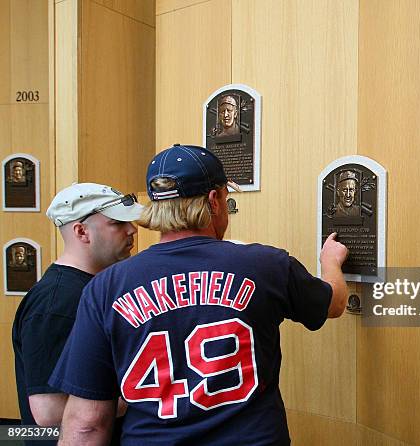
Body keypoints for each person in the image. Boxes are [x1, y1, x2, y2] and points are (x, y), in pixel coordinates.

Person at [50, 144, 349, 445]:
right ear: (214, 200)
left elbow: (87, 423)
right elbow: (333, 303)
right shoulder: (265, 265)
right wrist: (330, 262)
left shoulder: (106, 287)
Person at [12, 183, 143, 445]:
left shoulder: (92, 289)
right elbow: (48, 410)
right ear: (81, 231)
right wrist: (139, 396)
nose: (132, 230)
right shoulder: (56, 303)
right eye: (118, 223)